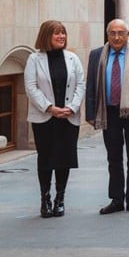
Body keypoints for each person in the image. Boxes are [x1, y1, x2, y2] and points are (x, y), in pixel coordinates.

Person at [86, 19, 129, 215]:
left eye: (121, 33)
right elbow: (91, 85)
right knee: (113, 158)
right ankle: (116, 199)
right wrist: (91, 113)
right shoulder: (96, 55)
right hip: (108, 112)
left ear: (128, 34)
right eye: (112, 33)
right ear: (107, 34)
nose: (116, 37)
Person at [24, 20, 86, 218]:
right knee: (46, 158)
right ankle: (45, 199)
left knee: (64, 159)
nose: (61, 37)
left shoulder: (72, 58)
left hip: (68, 117)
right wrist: (50, 108)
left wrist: (71, 107)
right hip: (45, 118)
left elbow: (81, 85)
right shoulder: (34, 59)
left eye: (63, 33)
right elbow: (30, 87)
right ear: (46, 36)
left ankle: (60, 198)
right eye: (57, 34)